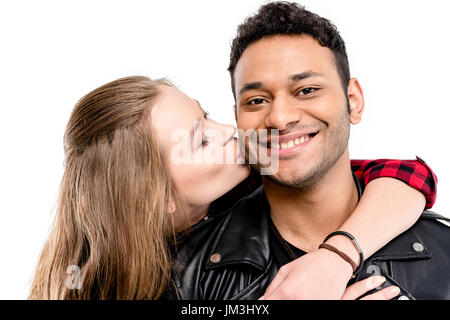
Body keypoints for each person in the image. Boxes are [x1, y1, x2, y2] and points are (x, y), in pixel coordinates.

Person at [28, 75, 436, 300]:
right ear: (160, 198)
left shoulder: (242, 185)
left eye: (206, 116)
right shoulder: (100, 283)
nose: (229, 132)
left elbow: (407, 174)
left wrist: (334, 258)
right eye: (201, 141)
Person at [170, 2, 450, 300]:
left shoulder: (442, 250)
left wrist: (338, 254)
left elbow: (409, 174)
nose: (280, 118)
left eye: (306, 90)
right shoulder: (180, 276)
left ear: (353, 101)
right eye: (256, 101)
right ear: (238, 117)